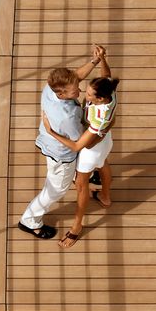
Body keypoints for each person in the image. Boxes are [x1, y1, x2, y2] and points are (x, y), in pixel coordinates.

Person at [18, 45, 107, 240]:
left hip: (48, 141)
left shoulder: (51, 88)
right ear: (62, 94)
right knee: (56, 190)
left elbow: (76, 76)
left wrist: (95, 61)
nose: (80, 90)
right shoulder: (66, 117)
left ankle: (90, 174)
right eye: (75, 90)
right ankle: (29, 220)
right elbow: (78, 142)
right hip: (61, 155)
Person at [41, 47, 118, 249]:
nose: (85, 93)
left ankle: (76, 227)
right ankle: (105, 197)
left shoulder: (98, 116)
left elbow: (77, 145)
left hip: (90, 148)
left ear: (100, 100)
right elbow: (106, 76)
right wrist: (100, 60)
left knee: (82, 185)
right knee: (103, 164)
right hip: (105, 141)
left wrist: (51, 132)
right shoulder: (108, 89)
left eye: (90, 95)